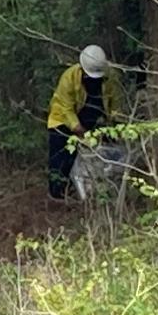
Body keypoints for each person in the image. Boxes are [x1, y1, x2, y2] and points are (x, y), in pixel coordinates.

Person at [48, 44, 125, 201]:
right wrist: (80, 131)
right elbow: (66, 109)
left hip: (94, 119)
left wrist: (117, 126)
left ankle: (100, 189)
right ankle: (59, 194)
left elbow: (116, 104)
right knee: (61, 157)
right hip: (63, 120)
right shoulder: (69, 78)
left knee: (106, 152)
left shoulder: (111, 77)